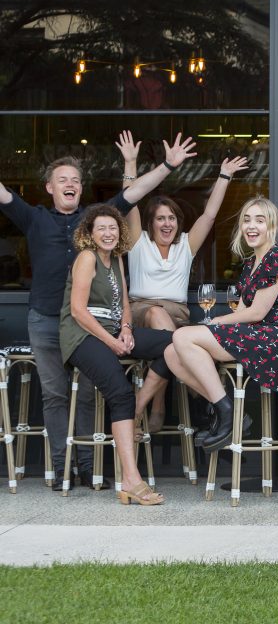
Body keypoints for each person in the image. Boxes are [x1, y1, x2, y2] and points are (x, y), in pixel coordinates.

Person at [0, 132, 196, 486]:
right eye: (63, 180)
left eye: (75, 180)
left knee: (90, 392)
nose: (70, 185)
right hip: (45, 320)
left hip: (88, 325)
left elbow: (134, 193)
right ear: (49, 188)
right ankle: (62, 469)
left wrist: (168, 165)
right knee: (56, 395)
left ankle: (89, 468)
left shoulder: (95, 221)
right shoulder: (33, 218)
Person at [116, 130, 249, 432]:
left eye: (172, 218)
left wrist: (224, 175)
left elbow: (210, 214)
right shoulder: (139, 242)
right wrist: (130, 163)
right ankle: (161, 406)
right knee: (158, 317)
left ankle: (146, 407)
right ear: (150, 223)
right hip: (140, 311)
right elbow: (130, 200)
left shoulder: (185, 246)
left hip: (178, 315)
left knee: (171, 336)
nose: (167, 223)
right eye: (161, 218)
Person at [165, 197, 278, 452]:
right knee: (171, 353)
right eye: (246, 220)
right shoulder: (251, 263)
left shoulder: (277, 257)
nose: (251, 226)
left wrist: (217, 322)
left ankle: (227, 414)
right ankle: (228, 408)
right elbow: (241, 310)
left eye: (259, 221)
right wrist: (221, 325)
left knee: (183, 337)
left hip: (276, 337)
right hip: (255, 332)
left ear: (271, 226)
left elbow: (257, 313)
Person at [58, 205, 173, 503]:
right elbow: (78, 311)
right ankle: (131, 481)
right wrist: (111, 343)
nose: (108, 234)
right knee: (119, 393)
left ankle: (138, 406)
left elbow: (124, 301)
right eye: (101, 229)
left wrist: (126, 329)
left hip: (112, 331)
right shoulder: (87, 257)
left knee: (174, 344)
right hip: (83, 335)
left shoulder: (117, 259)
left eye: (112, 228)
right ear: (90, 234)